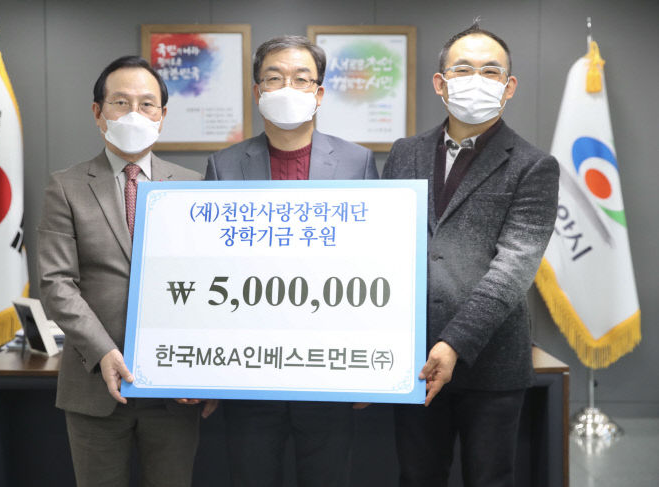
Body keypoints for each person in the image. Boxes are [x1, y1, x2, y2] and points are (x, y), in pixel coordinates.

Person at [382, 23, 559, 486]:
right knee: (417, 476)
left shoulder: (534, 165)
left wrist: (454, 343)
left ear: (509, 86)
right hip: (413, 358)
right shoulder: (404, 153)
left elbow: (513, 269)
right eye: (462, 70)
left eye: (490, 71)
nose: (476, 79)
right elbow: (384, 248)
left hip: (491, 362)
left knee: (489, 478)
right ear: (440, 83)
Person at [206, 35, 379, 487]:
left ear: (319, 93)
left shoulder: (357, 162)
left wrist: (369, 369)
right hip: (248, 368)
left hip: (329, 367)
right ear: (257, 90)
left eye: (301, 79)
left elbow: (373, 264)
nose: (288, 88)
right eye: (274, 78)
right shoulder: (224, 165)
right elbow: (209, 269)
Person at [38, 55, 211, 487]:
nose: (135, 113)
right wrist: (104, 352)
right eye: (120, 102)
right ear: (98, 113)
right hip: (94, 383)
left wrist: (206, 371)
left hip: (176, 388)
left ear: (162, 116)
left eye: (147, 104)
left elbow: (212, 284)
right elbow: (56, 284)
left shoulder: (195, 186)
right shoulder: (66, 186)